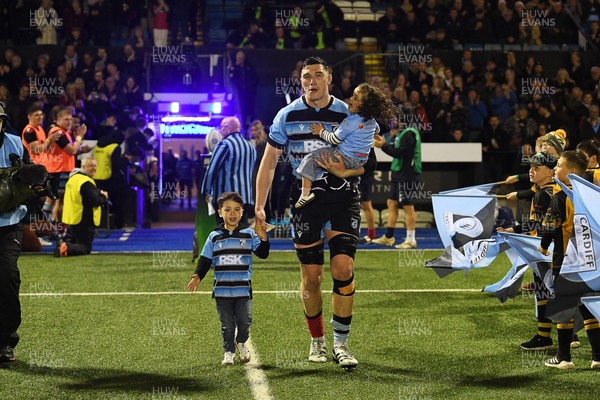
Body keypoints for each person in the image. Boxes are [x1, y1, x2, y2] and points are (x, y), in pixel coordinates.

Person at [255, 57, 377, 369]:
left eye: (318, 75)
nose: (312, 81)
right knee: (312, 277)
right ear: (301, 82)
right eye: (306, 76)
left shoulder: (348, 113)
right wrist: (258, 208)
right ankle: (317, 339)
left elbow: (370, 162)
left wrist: (346, 171)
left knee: (342, 268)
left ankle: (341, 343)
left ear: (329, 80)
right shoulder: (287, 115)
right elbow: (268, 163)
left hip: (342, 196)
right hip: (305, 199)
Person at [187, 192, 269, 365]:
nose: (232, 213)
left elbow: (263, 253)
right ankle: (228, 351)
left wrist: (264, 238)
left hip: (243, 290)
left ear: (242, 212)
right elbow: (205, 260)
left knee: (245, 321)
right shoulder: (214, 236)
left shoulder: (249, 234)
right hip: (222, 291)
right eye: (228, 209)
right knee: (227, 324)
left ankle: (241, 342)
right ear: (220, 213)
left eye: (237, 210)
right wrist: (197, 276)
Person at [538, 151, 599, 369]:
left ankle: (564, 358)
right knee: (588, 307)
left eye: (560, 165)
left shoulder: (560, 197)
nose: (555, 168)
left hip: (565, 261)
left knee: (564, 307)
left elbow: (550, 227)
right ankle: (597, 357)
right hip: (590, 261)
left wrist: (543, 246)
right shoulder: (592, 195)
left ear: (572, 172)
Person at [295, 83, 394, 208]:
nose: (351, 99)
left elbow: (333, 139)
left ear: (364, 106)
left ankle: (305, 194)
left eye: (356, 98)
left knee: (310, 158)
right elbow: (376, 131)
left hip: (344, 157)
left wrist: (321, 131)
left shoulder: (350, 121)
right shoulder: (372, 121)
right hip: (361, 160)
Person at [498, 152, 557, 350]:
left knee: (544, 291)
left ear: (550, 171)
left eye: (537, 168)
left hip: (545, 249)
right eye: (531, 167)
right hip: (557, 248)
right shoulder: (554, 189)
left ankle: (545, 337)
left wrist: (513, 230)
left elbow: (537, 224)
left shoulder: (542, 194)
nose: (531, 171)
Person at [0, 105, 32, 363]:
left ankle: (5, 340)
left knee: (8, 276)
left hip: (9, 222)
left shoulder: (15, 143)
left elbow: (30, 176)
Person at [372, 122, 422, 249]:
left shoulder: (409, 134)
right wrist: (385, 143)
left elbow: (399, 153)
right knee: (392, 202)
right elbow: (395, 149)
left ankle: (411, 239)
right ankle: (389, 237)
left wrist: (383, 145)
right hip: (399, 174)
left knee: (407, 205)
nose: (393, 125)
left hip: (407, 175)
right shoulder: (402, 134)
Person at [201, 117, 256, 225]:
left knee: (225, 234)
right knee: (241, 234)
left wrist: (205, 191)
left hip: (226, 199)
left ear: (229, 128)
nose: (220, 131)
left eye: (222, 127)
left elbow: (212, 170)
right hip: (246, 198)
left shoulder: (224, 144)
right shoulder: (250, 147)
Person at [56, 157, 108, 257]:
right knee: (85, 248)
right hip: (84, 220)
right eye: (90, 166)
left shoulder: (72, 179)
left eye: (95, 166)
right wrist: (103, 197)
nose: (94, 168)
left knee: (75, 242)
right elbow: (95, 200)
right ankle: (66, 246)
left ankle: (62, 246)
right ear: (83, 167)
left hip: (72, 219)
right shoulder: (86, 182)